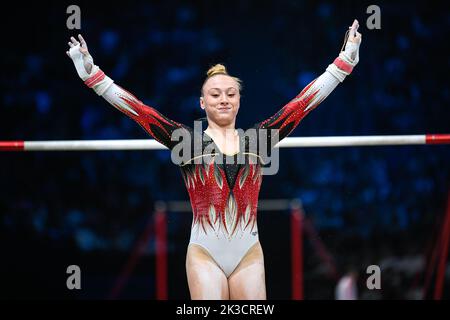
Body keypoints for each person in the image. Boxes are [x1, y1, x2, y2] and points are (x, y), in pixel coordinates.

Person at [67, 19, 362, 300]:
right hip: (204, 253)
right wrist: (94, 77)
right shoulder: (187, 141)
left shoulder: (258, 140)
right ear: (202, 102)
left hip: (248, 253)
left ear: (238, 100)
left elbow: (301, 105)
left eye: (231, 94)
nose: (224, 99)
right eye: (215, 94)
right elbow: (140, 112)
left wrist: (342, 65)